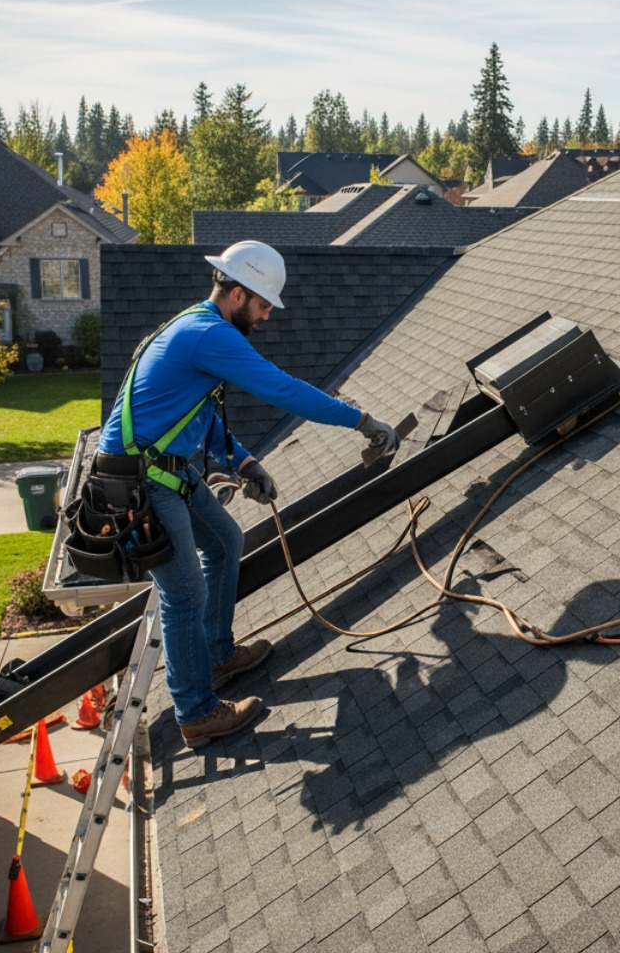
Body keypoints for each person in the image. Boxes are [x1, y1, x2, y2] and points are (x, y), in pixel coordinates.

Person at [98, 240, 400, 749]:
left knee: (223, 543)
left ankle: (216, 658)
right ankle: (195, 712)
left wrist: (241, 459)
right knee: (184, 593)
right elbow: (282, 389)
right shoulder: (206, 334)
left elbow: (195, 413)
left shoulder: (196, 325)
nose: (265, 318)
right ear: (237, 294)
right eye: (262, 306)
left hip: (166, 469)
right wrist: (361, 420)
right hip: (140, 482)